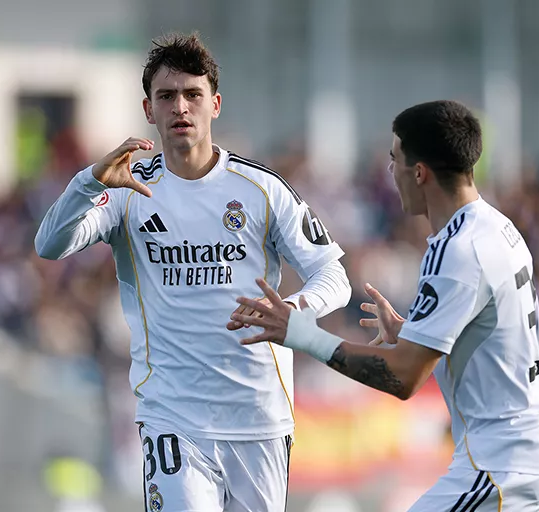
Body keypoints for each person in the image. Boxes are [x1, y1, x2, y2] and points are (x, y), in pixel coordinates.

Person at [35, 32, 352, 511]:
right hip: (172, 417)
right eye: (167, 96)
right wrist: (89, 181)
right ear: (148, 110)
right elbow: (50, 244)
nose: (180, 107)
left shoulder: (261, 189)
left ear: (215, 104)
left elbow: (334, 275)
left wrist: (293, 309)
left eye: (192, 95)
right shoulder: (125, 189)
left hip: (258, 418)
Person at [233, 101, 539, 511]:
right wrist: (415, 331)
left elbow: (403, 377)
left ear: (419, 172)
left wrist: (303, 335)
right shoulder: (495, 225)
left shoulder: (457, 249)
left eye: (395, 160)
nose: (390, 172)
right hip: (536, 442)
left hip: (504, 459)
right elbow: (486, 331)